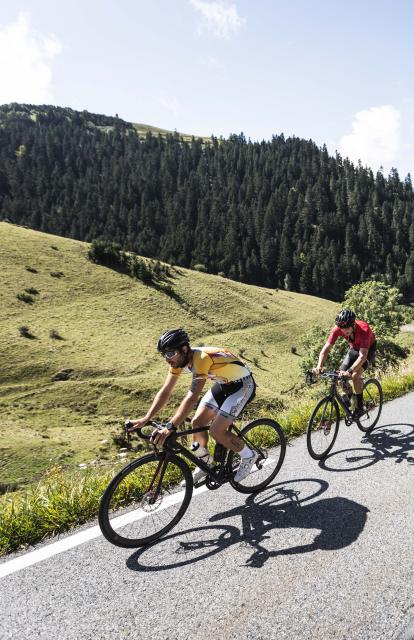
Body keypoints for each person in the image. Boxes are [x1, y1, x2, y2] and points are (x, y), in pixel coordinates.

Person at [127, 328, 258, 483]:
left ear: (184, 349)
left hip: (242, 385)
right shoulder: (178, 361)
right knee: (196, 423)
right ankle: (206, 463)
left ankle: (249, 455)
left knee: (216, 431)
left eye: (170, 354)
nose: (167, 359)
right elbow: (166, 391)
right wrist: (146, 418)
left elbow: (192, 397)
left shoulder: (201, 358)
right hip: (223, 383)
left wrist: (170, 426)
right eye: (164, 355)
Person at [313, 309, 376, 418]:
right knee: (339, 377)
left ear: (353, 324)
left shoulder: (364, 329)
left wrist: (350, 371)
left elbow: (362, 356)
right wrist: (319, 366)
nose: (344, 331)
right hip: (354, 349)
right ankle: (352, 399)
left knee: (355, 375)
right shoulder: (337, 329)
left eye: (347, 328)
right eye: (342, 328)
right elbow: (326, 349)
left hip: (368, 349)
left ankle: (359, 407)